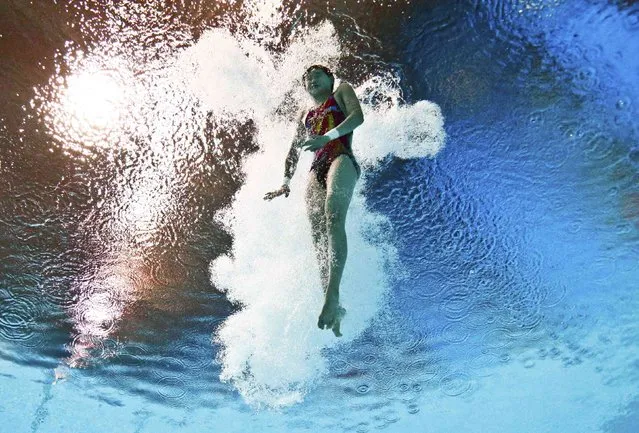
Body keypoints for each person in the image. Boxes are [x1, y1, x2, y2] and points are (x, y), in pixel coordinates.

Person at [264, 65, 364, 337]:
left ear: (330, 79)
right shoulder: (304, 115)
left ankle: (333, 294)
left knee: (333, 212)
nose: (311, 78)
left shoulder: (341, 91)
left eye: (318, 74)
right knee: (318, 236)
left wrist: (326, 137)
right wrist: (284, 183)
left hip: (341, 157)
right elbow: (293, 152)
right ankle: (333, 305)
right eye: (307, 77)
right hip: (315, 170)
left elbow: (357, 117)